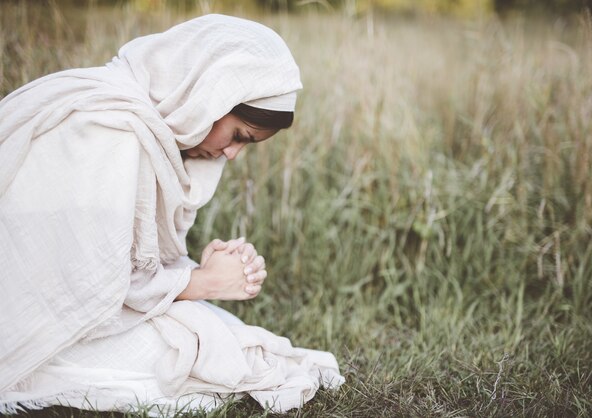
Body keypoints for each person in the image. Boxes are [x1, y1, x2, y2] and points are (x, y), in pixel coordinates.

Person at [0, 14, 343, 415]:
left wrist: (197, 271)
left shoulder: (148, 124)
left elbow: (125, 262)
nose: (233, 154)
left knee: (223, 340)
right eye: (238, 136)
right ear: (209, 97)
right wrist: (205, 282)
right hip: (41, 324)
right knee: (196, 359)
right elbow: (91, 287)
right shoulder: (110, 127)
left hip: (83, 308)